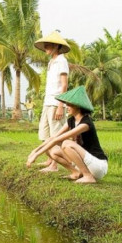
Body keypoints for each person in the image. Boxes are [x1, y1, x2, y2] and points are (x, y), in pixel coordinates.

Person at [26, 86, 108, 184]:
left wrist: (36, 155)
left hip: (98, 165)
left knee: (66, 143)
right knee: (52, 151)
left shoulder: (86, 123)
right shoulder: (71, 121)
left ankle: (88, 176)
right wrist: (34, 151)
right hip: (85, 162)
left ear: (77, 106)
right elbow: (53, 138)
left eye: (69, 104)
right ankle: (76, 172)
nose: (66, 107)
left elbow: (58, 140)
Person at [34, 31, 70, 172]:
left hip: (56, 103)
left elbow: (64, 85)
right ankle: (50, 160)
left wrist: (61, 105)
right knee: (45, 134)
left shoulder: (62, 61)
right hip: (47, 102)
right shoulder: (51, 62)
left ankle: (54, 166)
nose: (46, 48)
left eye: (48, 45)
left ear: (56, 46)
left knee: (55, 135)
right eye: (45, 46)